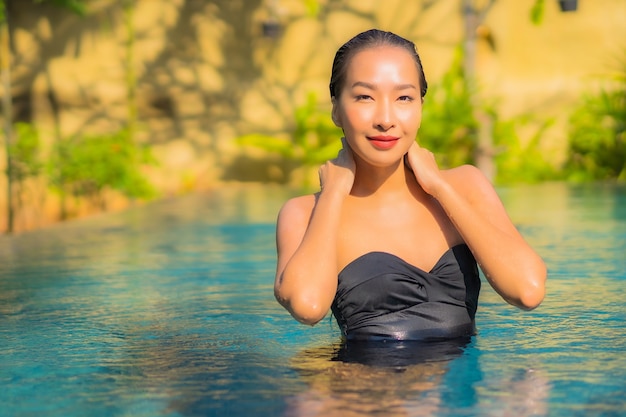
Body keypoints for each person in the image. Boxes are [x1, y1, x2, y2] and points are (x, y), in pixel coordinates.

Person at [273, 29, 547, 341]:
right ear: (336, 109)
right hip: (360, 388)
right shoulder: (305, 213)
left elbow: (528, 291)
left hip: (457, 386)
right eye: (364, 96)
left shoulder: (464, 185)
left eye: (404, 97)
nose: (386, 118)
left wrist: (439, 187)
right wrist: (334, 194)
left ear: (420, 106)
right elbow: (308, 306)